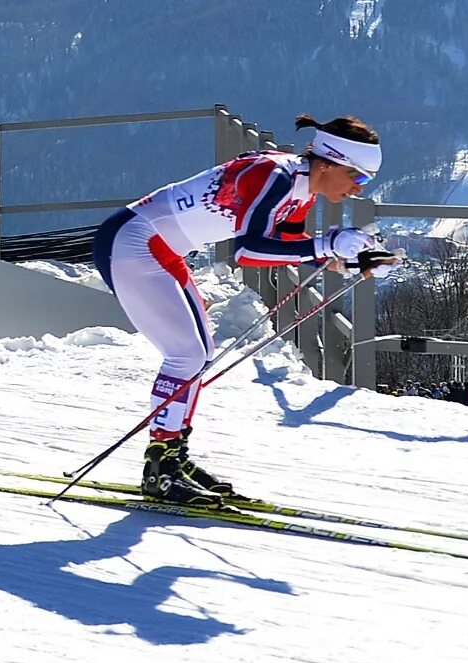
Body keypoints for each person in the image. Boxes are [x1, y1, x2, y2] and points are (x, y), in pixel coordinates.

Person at [90, 114, 390, 505]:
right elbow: (249, 252)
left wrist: (345, 259)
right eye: (359, 177)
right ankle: (161, 465)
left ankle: (171, 457)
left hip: (157, 247)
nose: (357, 189)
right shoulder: (276, 177)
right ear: (331, 162)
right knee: (188, 353)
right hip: (135, 243)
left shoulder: (300, 188)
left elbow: (283, 245)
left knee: (197, 353)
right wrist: (326, 245)